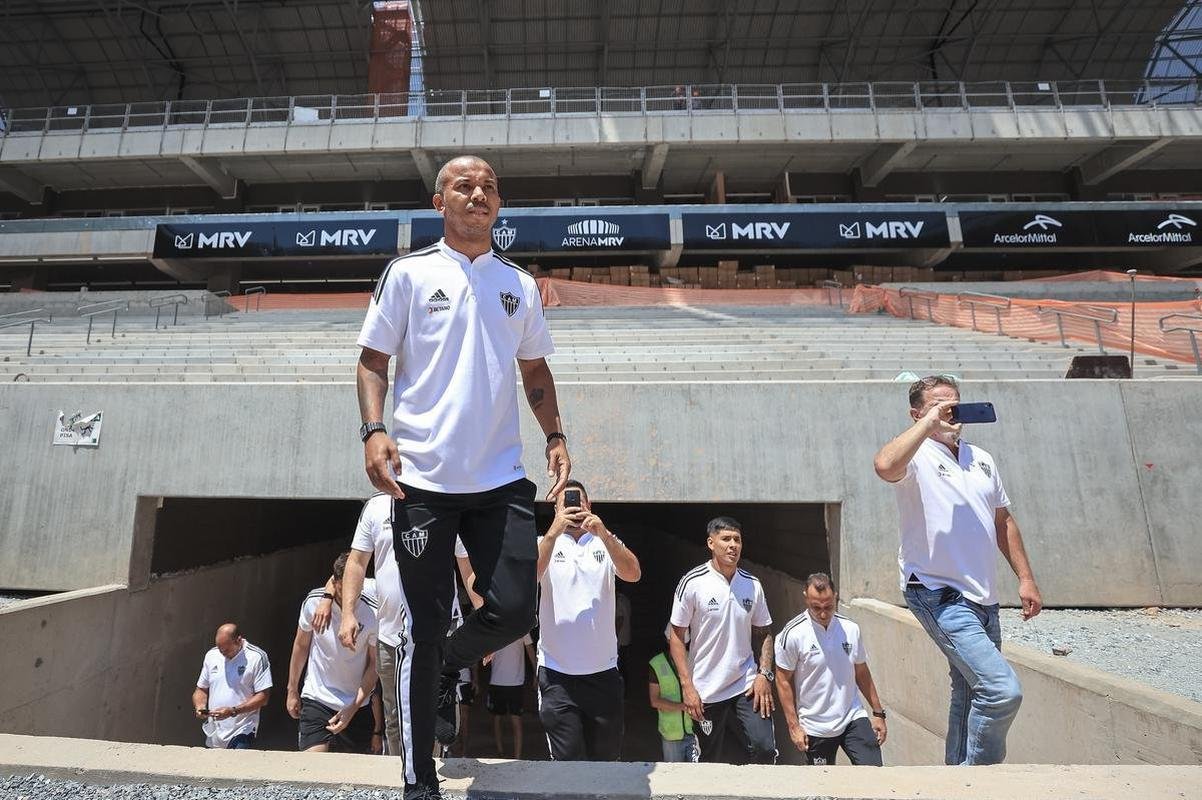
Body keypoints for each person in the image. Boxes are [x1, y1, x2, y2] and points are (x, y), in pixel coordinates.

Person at [353, 154, 570, 798]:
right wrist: (374, 430)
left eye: (490, 187)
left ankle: (450, 653)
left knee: (512, 610)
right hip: (421, 482)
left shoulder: (518, 284)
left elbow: (535, 372)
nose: (479, 194)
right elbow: (371, 360)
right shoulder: (408, 274)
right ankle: (419, 781)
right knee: (419, 628)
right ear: (439, 200)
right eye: (464, 186)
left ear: (498, 205)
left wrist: (556, 435)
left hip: (501, 479)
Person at [873, 375, 1042, 766]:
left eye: (954, 403)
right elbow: (884, 465)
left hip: (984, 598)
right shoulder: (914, 455)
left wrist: (1026, 578)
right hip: (937, 592)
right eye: (938, 405)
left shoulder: (982, 458)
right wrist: (927, 425)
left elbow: (1003, 521)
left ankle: (954, 780)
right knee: (1001, 691)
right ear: (918, 412)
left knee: (968, 692)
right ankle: (978, 780)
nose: (949, 411)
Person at [338, 494, 480, 767]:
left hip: (439, 633)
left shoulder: (445, 501)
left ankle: (430, 777)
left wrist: (484, 621)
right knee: (394, 715)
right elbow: (356, 563)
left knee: (434, 718)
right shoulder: (375, 508)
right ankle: (399, 777)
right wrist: (347, 614)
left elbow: (468, 568)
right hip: (390, 636)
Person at [535, 480, 641, 761]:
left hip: (603, 673)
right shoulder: (544, 543)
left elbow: (633, 573)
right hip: (557, 675)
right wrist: (553, 532)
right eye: (565, 502)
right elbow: (526, 578)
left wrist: (604, 534)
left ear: (589, 506)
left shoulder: (605, 542)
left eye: (578, 501)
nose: (573, 507)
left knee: (605, 763)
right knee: (567, 763)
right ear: (555, 508)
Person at [669, 517, 776, 765]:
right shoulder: (693, 582)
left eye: (737, 540)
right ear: (711, 543)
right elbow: (676, 636)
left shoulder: (752, 584)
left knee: (764, 748)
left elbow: (765, 632)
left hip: (745, 684)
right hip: (706, 690)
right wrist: (687, 687)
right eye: (726, 539)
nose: (733, 545)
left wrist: (764, 674)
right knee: (709, 759)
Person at [774, 573, 886, 766]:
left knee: (875, 774)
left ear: (835, 596)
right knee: (822, 788)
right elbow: (782, 680)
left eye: (828, 607)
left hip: (852, 716)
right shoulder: (792, 634)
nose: (823, 614)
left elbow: (861, 672)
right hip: (815, 726)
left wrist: (878, 713)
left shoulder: (851, 629)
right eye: (816, 608)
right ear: (806, 598)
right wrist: (794, 727)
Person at [286, 552, 382, 754]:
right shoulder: (314, 602)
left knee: (353, 777)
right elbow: (301, 645)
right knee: (311, 770)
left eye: (356, 586)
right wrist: (292, 690)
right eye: (344, 587)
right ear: (334, 582)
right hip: (317, 697)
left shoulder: (373, 611)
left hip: (357, 704)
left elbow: (375, 665)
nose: (351, 593)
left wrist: (353, 708)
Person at [192, 623, 272, 749]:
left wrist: (233, 711)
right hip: (215, 731)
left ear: (239, 640)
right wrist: (200, 706)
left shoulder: (256, 657)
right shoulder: (211, 656)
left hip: (243, 729)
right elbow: (201, 689)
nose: (223, 653)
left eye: (227, 650)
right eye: (220, 649)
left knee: (237, 765)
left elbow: (263, 697)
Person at [648, 626, 698, 763]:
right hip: (672, 734)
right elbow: (655, 700)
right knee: (674, 777)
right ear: (667, 639)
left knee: (699, 775)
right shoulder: (657, 664)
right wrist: (683, 706)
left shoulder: (695, 659)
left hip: (695, 730)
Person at [486, 632, 536, 758]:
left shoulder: (522, 626)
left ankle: (517, 757)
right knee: (497, 719)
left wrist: (536, 671)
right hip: (496, 680)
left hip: (516, 682)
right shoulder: (493, 626)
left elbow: (530, 649)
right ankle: (500, 752)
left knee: (516, 720)